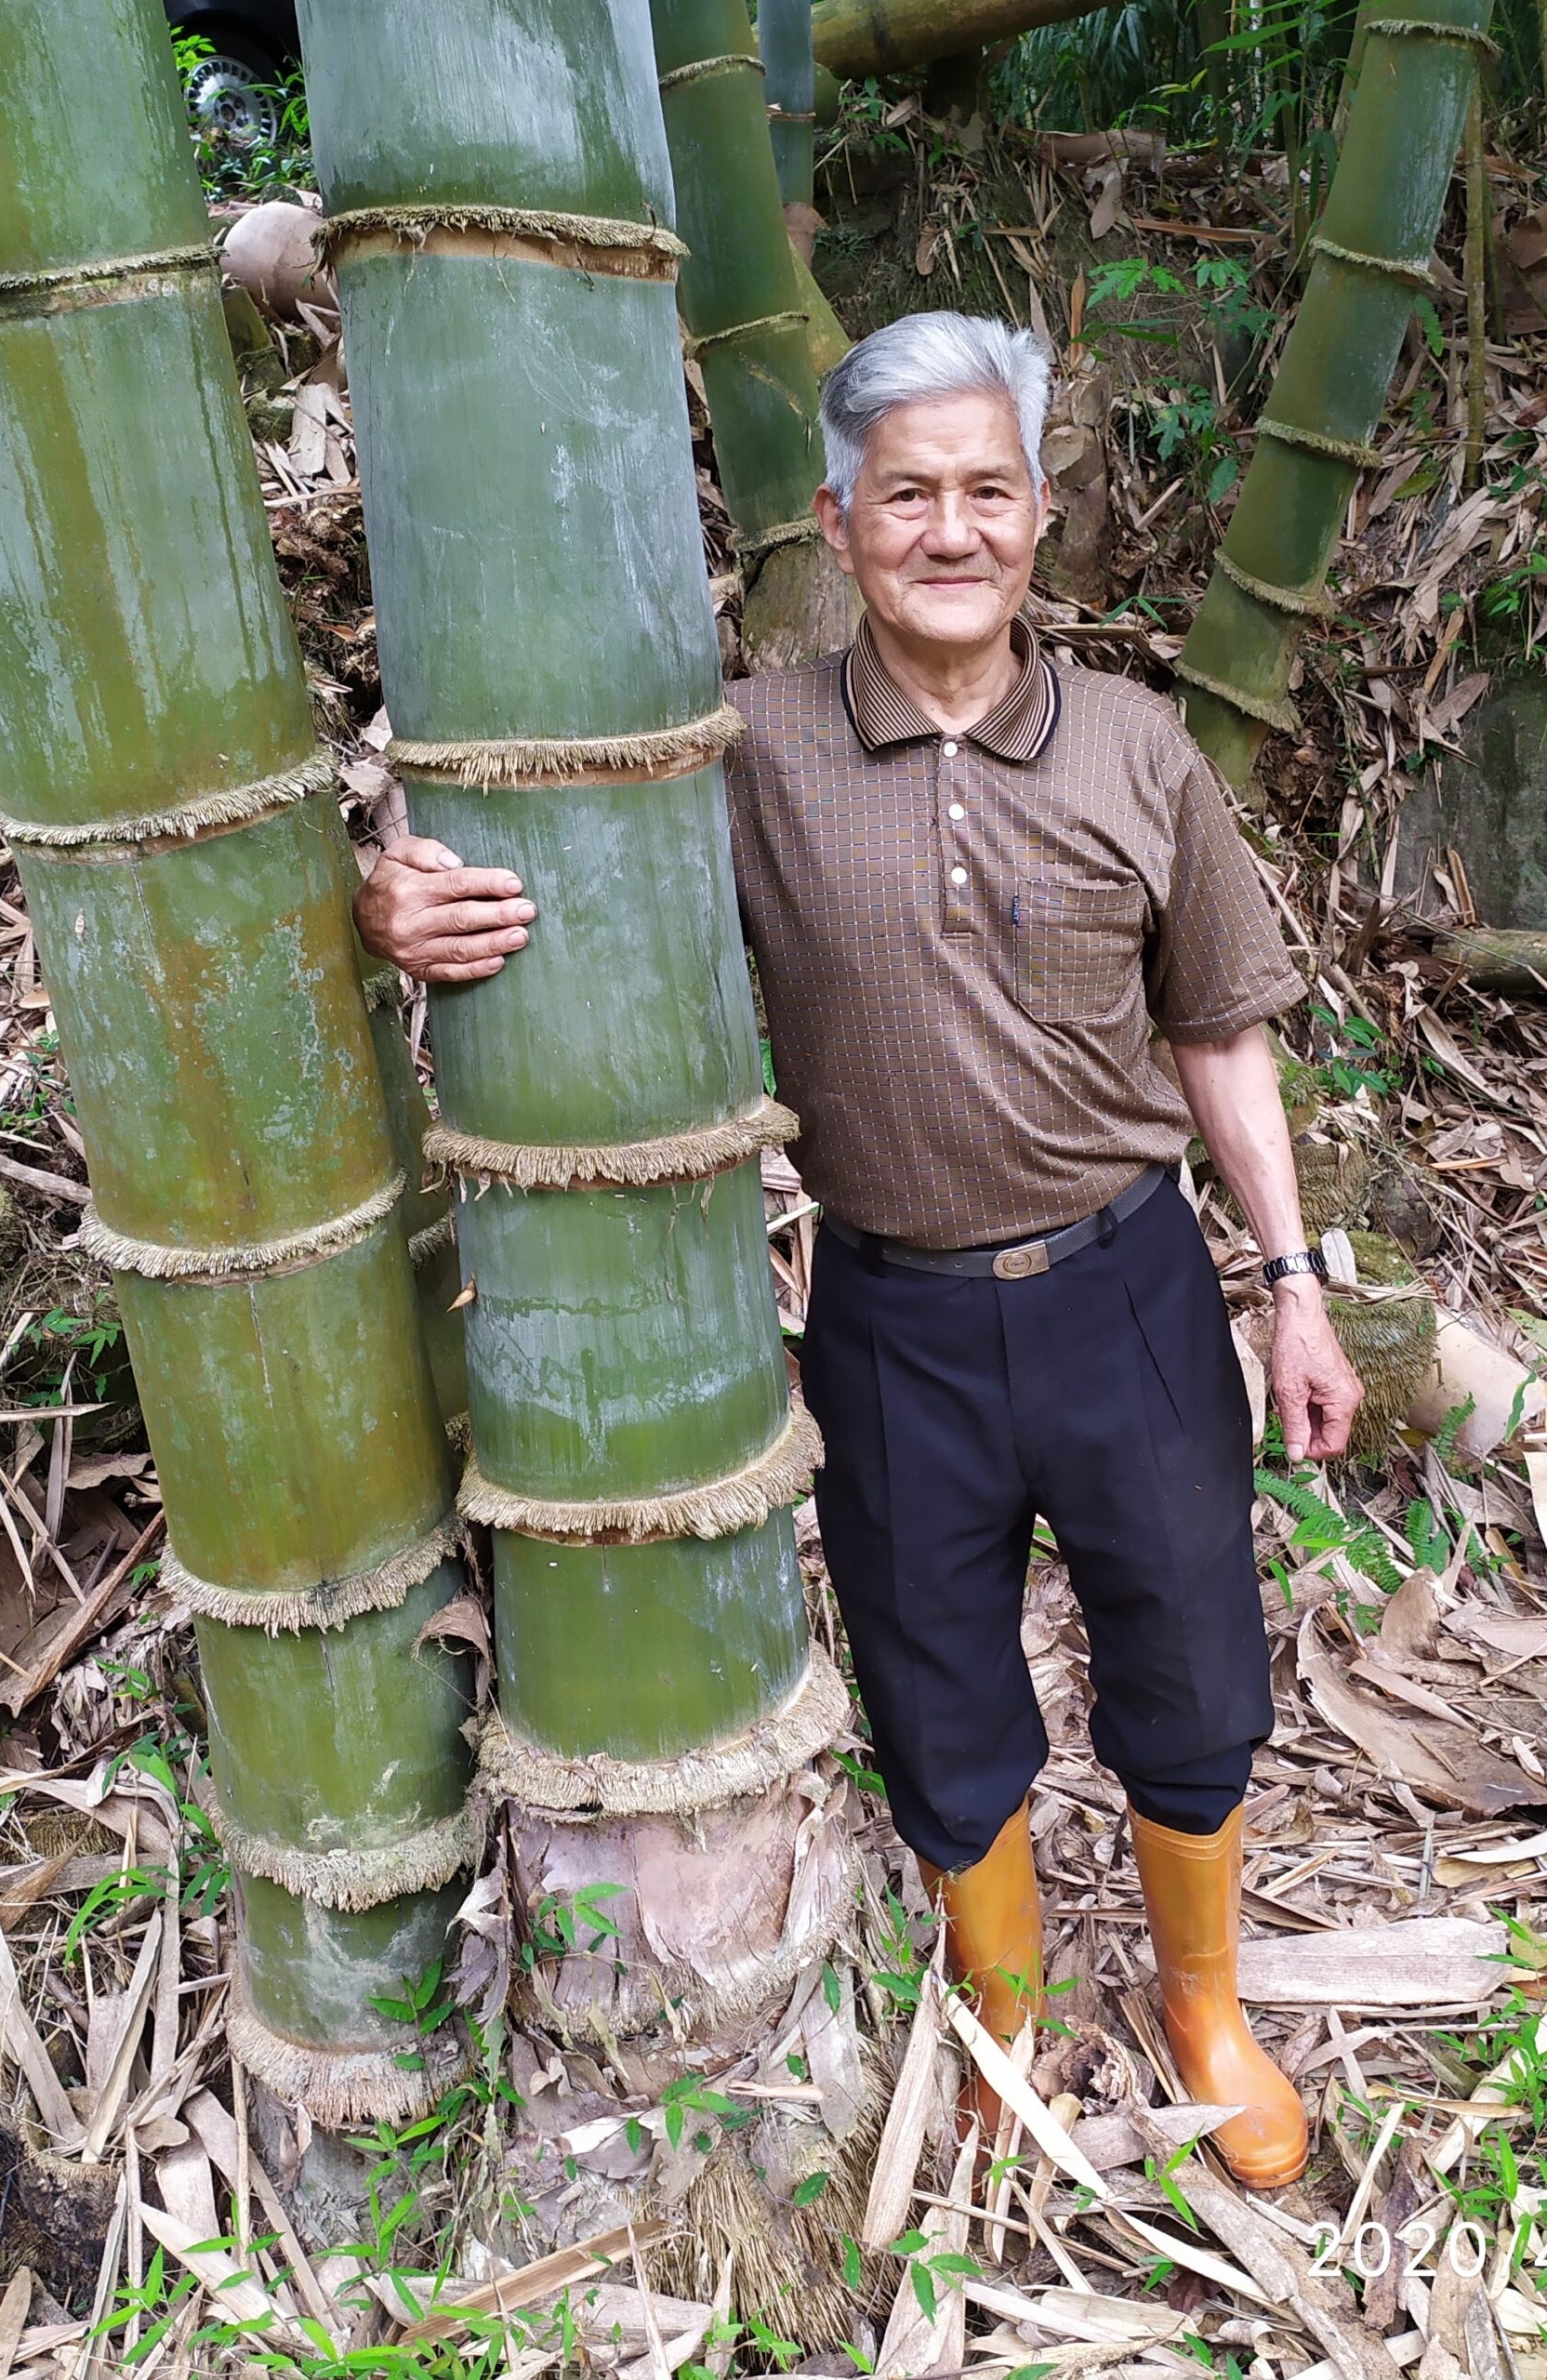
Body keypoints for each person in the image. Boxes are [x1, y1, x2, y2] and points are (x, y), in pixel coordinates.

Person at [356, 311, 1362, 2190]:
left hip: (1132, 1291)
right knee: (931, 1677)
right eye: (909, 494)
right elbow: (560, 874)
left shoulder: (1137, 748)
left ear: (1038, 514)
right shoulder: (755, 749)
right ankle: (1002, 2016)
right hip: (892, 1312)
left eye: (987, 489)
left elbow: (1219, 1027)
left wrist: (1290, 1278)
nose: (951, 528)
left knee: (1192, 1651)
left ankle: (1201, 1997)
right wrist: (395, 881)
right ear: (839, 521)